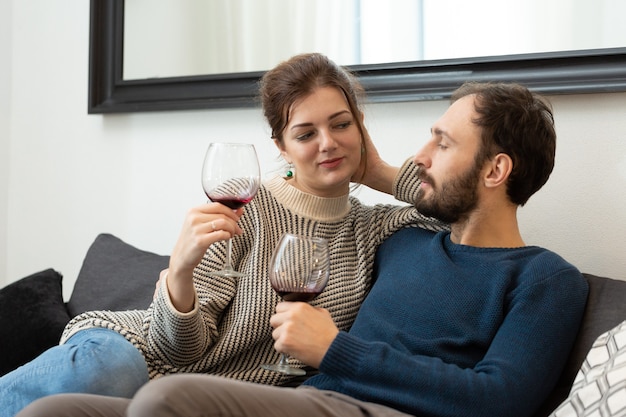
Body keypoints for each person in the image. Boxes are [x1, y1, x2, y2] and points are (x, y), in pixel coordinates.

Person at [16, 81, 590, 417]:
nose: (419, 154)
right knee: (53, 412)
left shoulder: (545, 278)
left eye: (441, 142)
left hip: (377, 410)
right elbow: (416, 192)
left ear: (496, 168)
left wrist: (335, 349)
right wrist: (367, 164)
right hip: (308, 400)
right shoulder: (402, 238)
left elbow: (501, 401)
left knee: (166, 402)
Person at [0, 53, 446, 416]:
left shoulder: (373, 228)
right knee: (112, 370)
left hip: (207, 402)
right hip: (137, 357)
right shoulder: (244, 208)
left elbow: (461, 218)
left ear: (361, 126)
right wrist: (179, 274)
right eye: (306, 133)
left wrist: (377, 170)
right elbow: (176, 351)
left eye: (341, 125)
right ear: (281, 146)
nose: (328, 142)